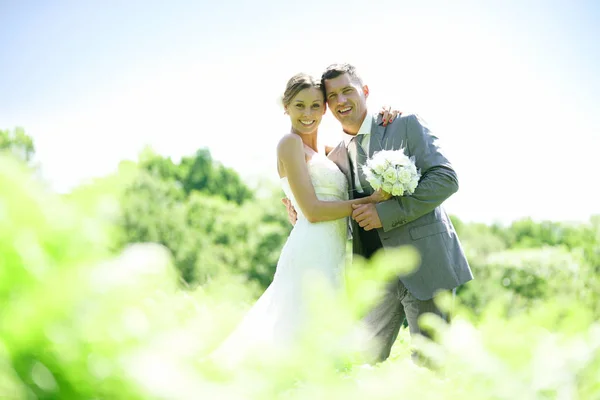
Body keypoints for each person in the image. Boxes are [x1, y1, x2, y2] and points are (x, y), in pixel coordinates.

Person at [284, 63, 474, 364]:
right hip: (372, 272)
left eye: (348, 91)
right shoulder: (335, 156)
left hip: (424, 263)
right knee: (359, 364)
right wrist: (296, 206)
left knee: (432, 366)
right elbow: (323, 196)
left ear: (366, 92)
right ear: (327, 106)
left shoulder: (404, 125)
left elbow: (446, 179)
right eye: (332, 96)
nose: (341, 101)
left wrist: (387, 213)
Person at [210, 73, 398, 366]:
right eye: (299, 106)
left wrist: (388, 115)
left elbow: (359, 143)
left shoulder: (325, 151)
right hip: (310, 247)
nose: (308, 114)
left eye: (315, 105)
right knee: (294, 324)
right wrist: (370, 201)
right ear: (286, 108)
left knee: (319, 328)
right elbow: (311, 210)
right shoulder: (289, 144)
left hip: (333, 249)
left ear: (325, 108)